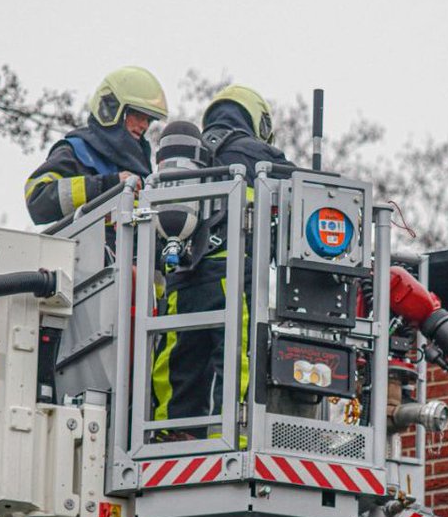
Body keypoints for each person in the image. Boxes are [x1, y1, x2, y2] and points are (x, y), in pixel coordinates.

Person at [151, 85, 293, 440]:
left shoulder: (193, 155)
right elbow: (305, 190)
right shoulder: (253, 151)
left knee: (178, 359)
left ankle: (172, 434)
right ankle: (234, 438)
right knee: (235, 356)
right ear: (255, 119)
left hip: (182, 274)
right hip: (230, 274)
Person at [24, 66, 168, 225]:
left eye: (148, 120)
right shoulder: (78, 151)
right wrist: (107, 185)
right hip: (86, 248)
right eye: (138, 116)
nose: (144, 126)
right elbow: (37, 200)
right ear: (112, 110)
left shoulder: (142, 168)